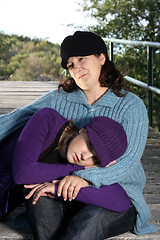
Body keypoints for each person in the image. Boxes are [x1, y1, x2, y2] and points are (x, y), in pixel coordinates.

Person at [0, 31, 157, 239]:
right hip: (60, 185)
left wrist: (84, 178)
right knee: (39, 197)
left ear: (102, 57)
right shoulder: (60, 99)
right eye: (71, 64)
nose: (77, 68)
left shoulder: (130, 106)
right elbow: (20, 117)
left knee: (88, 224)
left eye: (82, 58)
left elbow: (126, 164)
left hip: (113, 192)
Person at [0, 107, 130, 222]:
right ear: (83, 130)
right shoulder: (47, 119)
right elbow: (22, 172)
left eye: (95, 159)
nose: (85, 156)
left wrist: (59, 189)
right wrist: (80, 168)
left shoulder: (83, 168)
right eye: (90, 145)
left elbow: (121, 202)